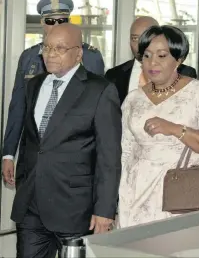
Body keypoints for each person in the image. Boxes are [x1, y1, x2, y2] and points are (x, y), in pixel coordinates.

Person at [11, 23, 122, 258]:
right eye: (47, 47)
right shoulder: (34, 85)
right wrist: (22, 184)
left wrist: (105, 210)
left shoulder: (100, 90)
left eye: (60, 48)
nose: (50, 54)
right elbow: (31, 141)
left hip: (76, 209)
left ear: (79, 53)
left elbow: (109, 156)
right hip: (31, 206)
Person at [2, 0, 105, 187]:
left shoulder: (90, 57)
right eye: (50, 21)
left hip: (73, 164)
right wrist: (8, 153)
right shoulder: (29, 58)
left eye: (62, 20)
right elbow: (18, 108)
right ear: (42, 23)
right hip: (32, 157)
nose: (56, 26)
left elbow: (100, 116)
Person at [117, 25, 199, 228]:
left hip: (182, 196)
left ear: (179, 59)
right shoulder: (134, 99)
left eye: (162, 56)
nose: (152, 63)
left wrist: (175, 129)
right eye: (147, 56)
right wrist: (120, 200)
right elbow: (126, 153)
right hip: (135, 196)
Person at [105, 16, 197, 104]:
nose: (141, 44)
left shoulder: (185, 73)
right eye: (135, 38)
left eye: (147, 37)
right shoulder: (113, 75)